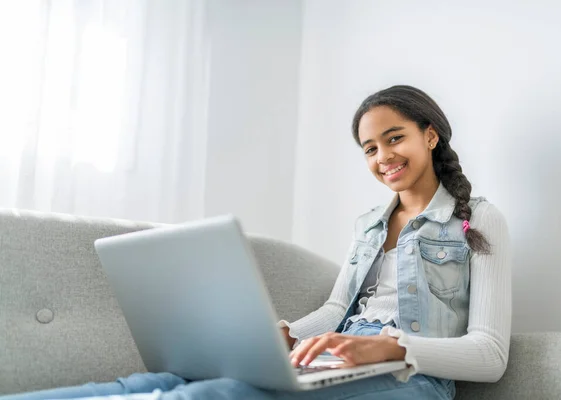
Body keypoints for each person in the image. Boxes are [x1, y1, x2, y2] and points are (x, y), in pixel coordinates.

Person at [2, 85, 511, 400]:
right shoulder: (369, 224)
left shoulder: (479, 218)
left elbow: (489, 355)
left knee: (218, 395)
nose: (382, 157)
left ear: (430, 135)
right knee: (152, 383)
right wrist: (281, 334)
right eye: (369, 148)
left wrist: (388, 346)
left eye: (394, 138)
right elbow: (337, 309)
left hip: (411, 382)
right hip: (337, 364)